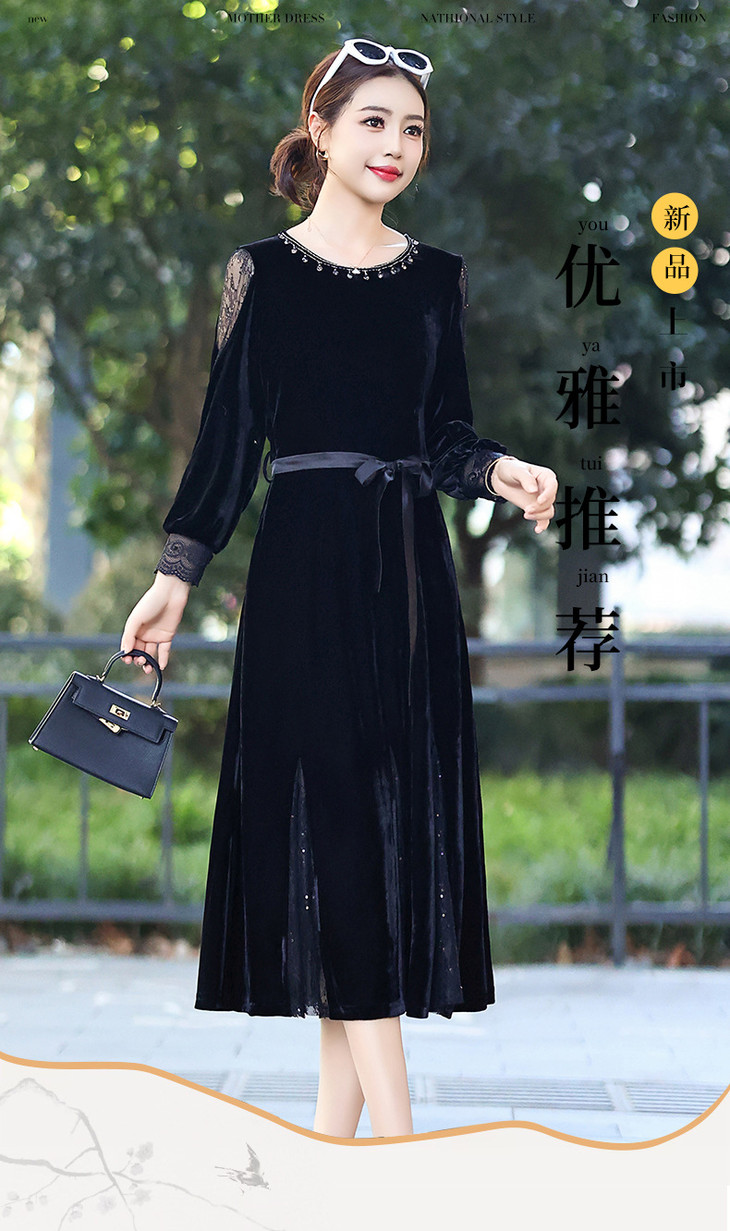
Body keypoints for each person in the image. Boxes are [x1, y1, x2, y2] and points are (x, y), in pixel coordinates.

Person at [120, 37, 558, 1140]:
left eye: (413, 128)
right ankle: (402, 1155)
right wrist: (175, 577)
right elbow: (228, 444)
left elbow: (446, 436)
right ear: (319, 130)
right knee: (344, 842)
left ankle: (331, 1157)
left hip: (408, 584)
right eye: (373, 121)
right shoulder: (261, 275)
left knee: (380, 844)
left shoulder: (438, 278)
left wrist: (501, 470)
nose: (395, 145)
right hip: (304, 581)